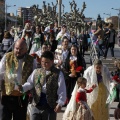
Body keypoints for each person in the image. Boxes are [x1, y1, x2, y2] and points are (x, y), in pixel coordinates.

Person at [18, 51, 66, 120]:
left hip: (50, 106)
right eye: (42, 62)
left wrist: (60, 103)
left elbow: (62, 89)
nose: (44, 64)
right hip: (36, 104)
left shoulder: (58, 73)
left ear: (52, 61)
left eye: (46, 62)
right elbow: (30, 83)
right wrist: (23, 87)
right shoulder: (36, 71)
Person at [0, 39, 37, 120]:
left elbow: (34, 78)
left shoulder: (32, 60)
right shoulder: (7, 57)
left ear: (26, 49)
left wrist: (31, 92)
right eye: (16, 48)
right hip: (6, 95)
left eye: (21, 49)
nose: (18, 51)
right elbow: (0, 74)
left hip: (22, 97)